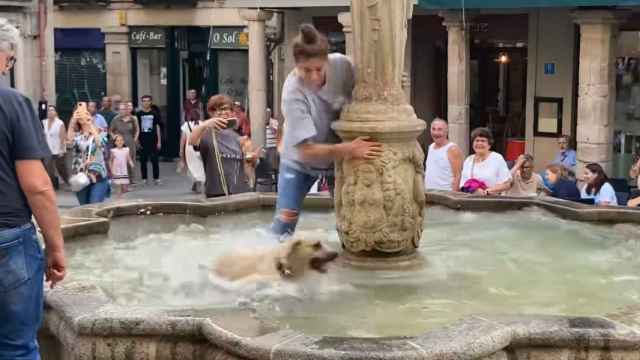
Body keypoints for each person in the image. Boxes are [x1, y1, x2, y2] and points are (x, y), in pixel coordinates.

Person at [270, 24, 383, 236]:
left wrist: (393, 82)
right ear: (296, 65)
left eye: (319, 69)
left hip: (338, 159)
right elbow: (306, 151)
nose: (313, 76)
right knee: (284, 222)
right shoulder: (291, 92)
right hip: (299, 162)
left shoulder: (342, 65)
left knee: (350, 220)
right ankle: (269, 262)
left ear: (327, 61)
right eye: (306, 70)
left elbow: (372, 83)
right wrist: (349, 149)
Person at [0, 20, 66, 358]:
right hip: (7, 239)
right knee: (16, 347)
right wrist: (55, 247)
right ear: (3, 57)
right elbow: (37, 186)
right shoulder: (11, 103)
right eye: (11, 62)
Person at [189, 94, 250, 198]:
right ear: (211, 112)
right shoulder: (206, 134)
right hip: (217, 192)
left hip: (239, 191)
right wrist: (205, 124)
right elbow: (192, 140)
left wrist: (251, 159)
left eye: (227, 109)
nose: (223, 113)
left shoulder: (237, 136)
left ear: (232, 112)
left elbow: (246, 167)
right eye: (218, 110)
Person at [69, 103, 110, 205]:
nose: (83, 115)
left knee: (93, 205)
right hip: (80, 177)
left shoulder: (100, 131)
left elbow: (100, 144)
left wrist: (90, 123)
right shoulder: (77, 135)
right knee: (84, 207)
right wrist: (73, 121)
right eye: (80, 113)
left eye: (86, 112)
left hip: (98, 176)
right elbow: (69, 142)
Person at [459, 127, 511, 195]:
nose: (479, 143)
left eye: (483, 141)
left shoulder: (497, 158)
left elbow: (507, 184)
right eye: (477, 140)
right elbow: (463, 185)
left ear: (489, 144)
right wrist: (473, 190)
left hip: (491, 201)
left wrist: (486, 192)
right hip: (471, 201)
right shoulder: (468, 160)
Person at [424, 118, 463, 191]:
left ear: (446, 131)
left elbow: (458, 176)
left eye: (439, 129)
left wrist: (453, 197)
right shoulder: (431, 147)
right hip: (429, 193)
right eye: (433, 129)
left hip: (445, 195)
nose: (436, 133)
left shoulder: (452, 149)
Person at [110, 102, 139, 184]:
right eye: (120, 109)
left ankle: (131, 179)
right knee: (120, 161)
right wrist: (114, 137)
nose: (122, 111)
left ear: (127, 110)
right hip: (120, 142)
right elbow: (110, 130)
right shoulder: (116, 119)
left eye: (124, 109)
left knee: (131, 160)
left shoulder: (133, 119)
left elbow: (137, 130)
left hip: (130, 141)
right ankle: (121, 180)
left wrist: (135, 139)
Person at [136, 95, 162, 185]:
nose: (146, 102)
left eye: (148, 101)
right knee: (143, 160)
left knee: (155, 160)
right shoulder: (138, 114)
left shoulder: (155, 113)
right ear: (141, 102)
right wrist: (137, 140)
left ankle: (156, 178)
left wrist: (159, 141)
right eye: (144, 101)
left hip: (153, 139)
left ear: (151, 102)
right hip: (142, 139)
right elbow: (137, 128)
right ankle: (144, 178)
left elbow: (158, 126)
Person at [42, 105, 69, 189]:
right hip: (48, 149)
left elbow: (62, 137)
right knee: (48, 168)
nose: (50, 112)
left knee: (61, 168)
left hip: (58, 149)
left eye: (52, 110)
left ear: (56, 112)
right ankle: (54, 184)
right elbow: (43, 136)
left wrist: (61, 150)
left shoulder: (60, 123)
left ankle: (68, 183)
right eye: (49, 110)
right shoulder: (44, 122)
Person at [180, 108, 205, 193]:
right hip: (200, 147)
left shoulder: (186, 125)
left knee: (192, 166)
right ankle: (197, 183)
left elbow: (183, 139)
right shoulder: (202, 124)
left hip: (189, 148)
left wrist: (180, 151)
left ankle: (196, 183)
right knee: (200, 166)